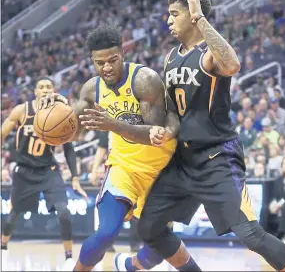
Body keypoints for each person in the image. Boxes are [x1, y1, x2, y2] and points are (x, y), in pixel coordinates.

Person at [119, 0, 285, 272]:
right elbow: (169, 111)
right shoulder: (170, 57)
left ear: (192, 15)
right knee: (149, 227)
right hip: (182, 160)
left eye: (174, 13)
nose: (168, 20)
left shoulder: (208, 53)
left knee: (250, 235)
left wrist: (199, 18)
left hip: (216, 157)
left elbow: (232, 65)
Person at [39, 25, 181, 271]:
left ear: (123, 54)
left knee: (155, 254)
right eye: (99, 62)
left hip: (161, 175)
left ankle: (128, 265)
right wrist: (57, 111)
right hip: (123, 169)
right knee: (105, 233)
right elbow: (73, 131)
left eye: (112, 60)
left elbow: (154, 134)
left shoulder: (144, 81)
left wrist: (113, 124)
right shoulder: (91, 89)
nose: (106, 67)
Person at [0, 77, 87, 270]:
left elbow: (69, 148)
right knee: (13, 215)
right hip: (23, 171)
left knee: (64, 212)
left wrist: (74, 177)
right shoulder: (22, 110)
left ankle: (68, 258)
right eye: (41, 87)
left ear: (54, 90)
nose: (45, 89)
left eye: (49, 86)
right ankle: (3, 247)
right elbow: (2, 134)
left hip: (49, 171)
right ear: (35, 92)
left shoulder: (60, 113)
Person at [91, 131, 141, 253]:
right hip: (114, 170)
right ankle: (106, 242)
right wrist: (94, 169)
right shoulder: (109, 124)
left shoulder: (137, 121)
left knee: (135, 209)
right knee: (110, 209)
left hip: (136, 169)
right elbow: (101, 148)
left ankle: (135, 244)